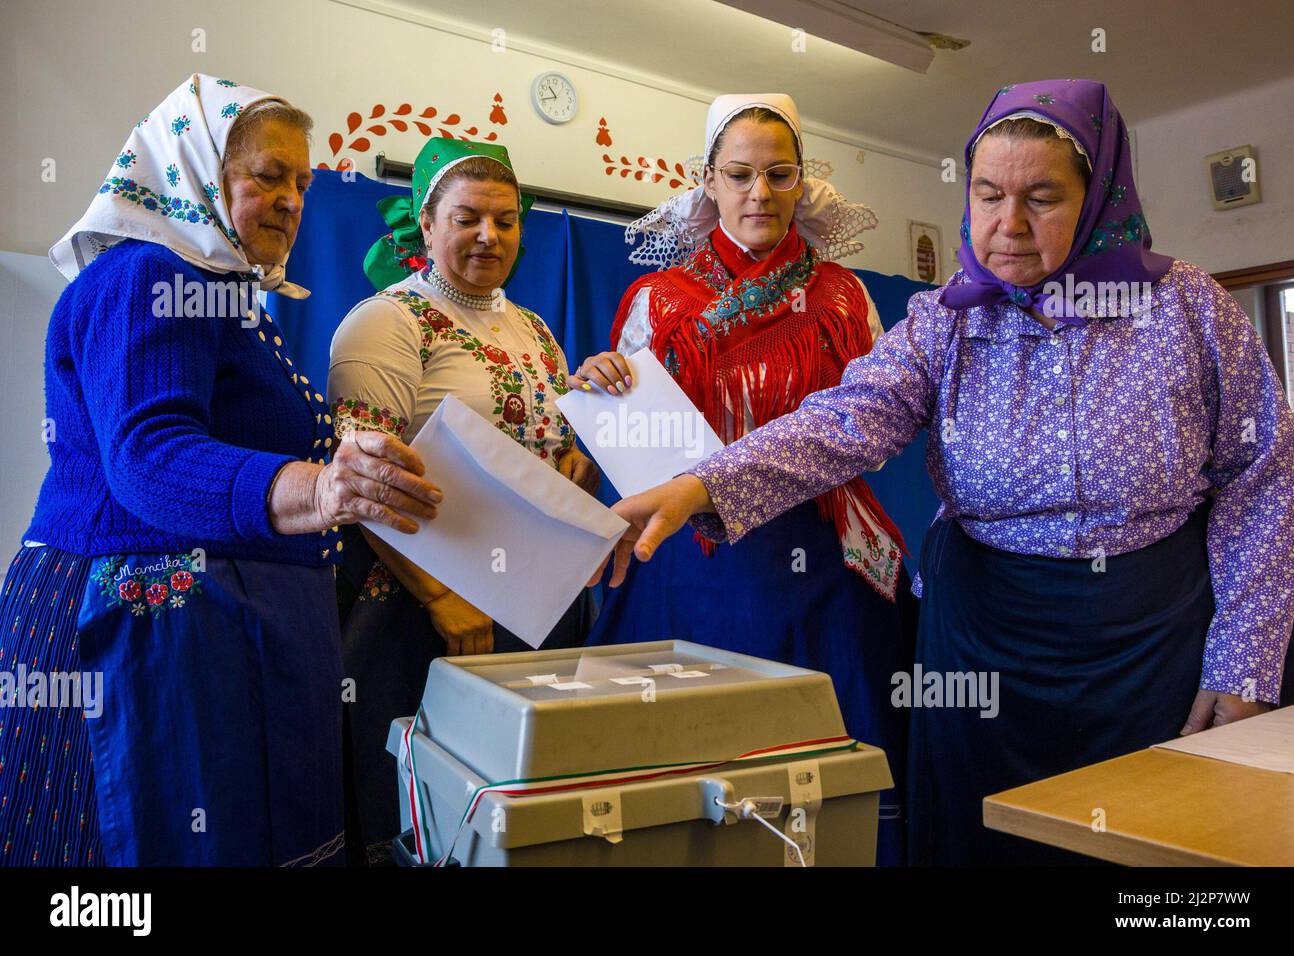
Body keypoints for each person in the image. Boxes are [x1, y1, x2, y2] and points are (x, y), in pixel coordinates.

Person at [590, 79, 1294, 866]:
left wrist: (1244, 666)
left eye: (1043, 197)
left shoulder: (1185, 307)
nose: (1009, 225)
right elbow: (846, 419)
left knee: (1157, 842)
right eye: (989, 194)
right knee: (982, 837)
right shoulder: (946, 319)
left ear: (1100, 197)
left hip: (1148, 635)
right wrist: (702, 486)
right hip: (984, 633)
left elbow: (1263, 477)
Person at [0, 75, 442, 867]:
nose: (292, 199)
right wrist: (322, 486)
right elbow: (149, 456)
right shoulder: (149, 275)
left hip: (199, 623)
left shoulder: (219, 293)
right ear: (194, 167)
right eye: (268, 175)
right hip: (133, 624)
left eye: (303, 182)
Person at [569, 94, 916, 866]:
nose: (759, 192)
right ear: (709, 183)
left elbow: (879, 433)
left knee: (827, 772)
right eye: (740, 174)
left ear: (802, 182)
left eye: (778, 173)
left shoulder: (845, 296)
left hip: (821, 559)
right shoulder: (655, 300)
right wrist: (600, 384)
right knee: (693, 774)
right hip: (694, 558)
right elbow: (638, 444)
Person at [328, 138, 597, 864]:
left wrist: (572, 466)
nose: (490, 236)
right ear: (425, 222)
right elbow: (355, 483)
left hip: (530, 605)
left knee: (515, 810)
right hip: (423, 613)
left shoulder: (536, 330)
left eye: (506, 220)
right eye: (468, 217)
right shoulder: (385, 321)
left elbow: (547, 453)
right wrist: (442, 598)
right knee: (421, 818)